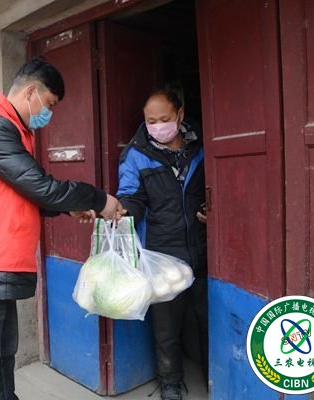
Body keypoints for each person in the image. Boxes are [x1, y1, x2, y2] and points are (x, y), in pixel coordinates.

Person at [0, 58, 122, 400]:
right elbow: (41, 187)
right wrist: (99, 199)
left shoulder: (14, 131)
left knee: (2, 357)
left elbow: (25, 194)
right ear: (31, 92)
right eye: (50, 104)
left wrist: (69, 207)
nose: (49, 114)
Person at [117, 89, 208, 400]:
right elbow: (131, 195)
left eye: (164, 119)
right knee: (166, 326)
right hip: (162, 254)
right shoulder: (136, 154)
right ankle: (170, 383)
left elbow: (216, 186)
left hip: (201, 248)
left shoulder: (200, 146)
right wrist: (121, 212)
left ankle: (214, 375)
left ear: (180, 115)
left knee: (206, 318)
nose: (158, 126)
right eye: (151, 121)